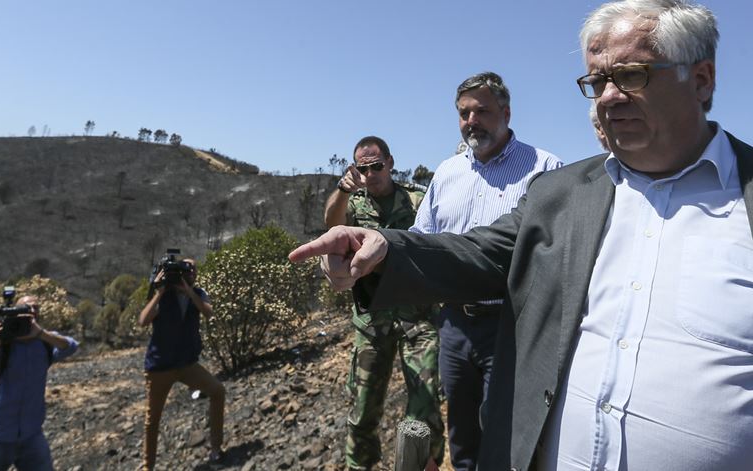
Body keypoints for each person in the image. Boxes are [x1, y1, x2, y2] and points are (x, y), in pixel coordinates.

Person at [290, 0, 753, 469]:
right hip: (458, 332)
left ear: (701, 79)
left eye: (631, 75)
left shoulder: (547, 169)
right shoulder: (563, 194)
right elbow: (480, 251)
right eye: (596, 82)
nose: (609, 97)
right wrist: (384, 248)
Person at [410, 72, 561, 470]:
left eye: (482, 110)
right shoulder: (446, 173)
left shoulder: (544, 167)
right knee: (461, 435)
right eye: (464, 113)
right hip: (454, 326)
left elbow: (554, 251)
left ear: (506, 113)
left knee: (505, 434)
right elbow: (422, 237)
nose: (471, 120)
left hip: (511, 326)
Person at [324, 135, 444, 470]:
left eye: (377, 166)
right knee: (363, 409)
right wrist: (344, 190)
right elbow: (331, 224)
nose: (371, 173)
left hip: (417, 319)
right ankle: (360, 465)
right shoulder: (353, 202)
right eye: (364, 168)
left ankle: (427, 464)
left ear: (390, 163)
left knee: (424, 407)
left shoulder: (417, 199)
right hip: (372, 321)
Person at [0, 295, 78, 471]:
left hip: (31, 435)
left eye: (36, 307)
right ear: (15, 313)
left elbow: (71, 347)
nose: (32, 311)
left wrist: (41, 333)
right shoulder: (4, 347)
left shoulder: (44, 343)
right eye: (26, 308)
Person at [138, 257, 225, 470]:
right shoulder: (163, 294)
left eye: (193, 269)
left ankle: (216, 448)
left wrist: (189, 292)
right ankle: (148, 466)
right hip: (160, 366)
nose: (189, 272)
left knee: (217, 391)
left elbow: (207, 312)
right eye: (185, 269)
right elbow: (143, 321)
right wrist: (158, 290)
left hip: (187, 364)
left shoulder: (199, 294)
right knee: (152, 420)